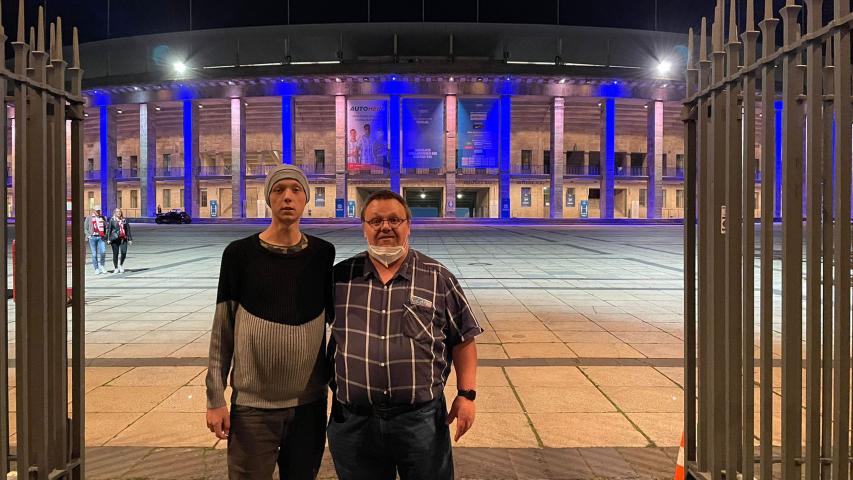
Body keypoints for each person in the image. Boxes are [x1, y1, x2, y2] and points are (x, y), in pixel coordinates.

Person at [328, 189, 483, 480]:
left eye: (394, 220)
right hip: (354, 422)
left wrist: (466, 395)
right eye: (375, 221)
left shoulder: (438, 277)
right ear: (364, 228)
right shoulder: (340, 278)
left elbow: (463, 340)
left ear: (408, 225)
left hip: (420, 422)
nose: (385, 227)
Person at [206, 164, 336, 479]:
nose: (287, 197)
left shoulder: (322, 254)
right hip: (253, 408)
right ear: (268, 198)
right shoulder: (239, 254)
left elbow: (338, 325)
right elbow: (222, 331)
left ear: (306, 198)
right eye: (279, 190)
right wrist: (215, 398)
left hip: (308, 405)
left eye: (296, 190)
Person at [106, 208, 133, 273]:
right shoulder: (112, 220)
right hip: (115, 238)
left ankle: (120, 265)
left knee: (124, 252)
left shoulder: (124, 220)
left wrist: (129, 239)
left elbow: (127, 230)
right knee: (115, 253)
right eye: (117, 212)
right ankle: (116, 267)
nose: (118, 213)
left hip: (123, 238)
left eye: (120, 211)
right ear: (115, 213)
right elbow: (109, 230)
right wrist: (108, 239)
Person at [83, 208, 107, 274]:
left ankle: (102, 266)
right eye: (97, 211)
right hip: (92, 237)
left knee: (103, 252)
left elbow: (106, 227)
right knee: (94, 254)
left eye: (99, 211)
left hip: (100, 237)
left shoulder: (102, 217)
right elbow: (85, 228)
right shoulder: (89, 218)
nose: (98, 212)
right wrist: (89, 236)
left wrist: (104, 223)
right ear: (93, 211)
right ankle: (96, 268)